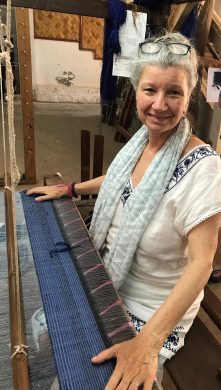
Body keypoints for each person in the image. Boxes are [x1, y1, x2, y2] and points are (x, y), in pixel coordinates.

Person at [27, 32, 221, 389]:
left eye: (173, 92)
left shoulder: (206, 171)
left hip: (152, 311)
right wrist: (70, 188)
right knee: (40, 340)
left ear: (189, 94)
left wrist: (147, 344)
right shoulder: (140, 142)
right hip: (107, 278)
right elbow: (121, 181)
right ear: (136, 91)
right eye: (150, 90)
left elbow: (201, 265)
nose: (159, 104)